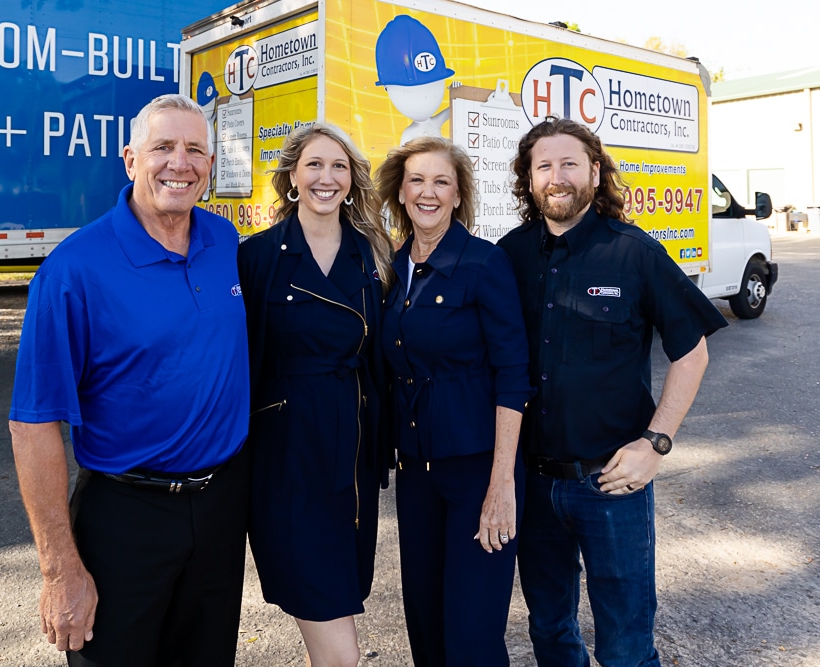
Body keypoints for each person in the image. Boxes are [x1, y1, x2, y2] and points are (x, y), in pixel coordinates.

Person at [8, 94, 250, 666]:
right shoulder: (73, 269)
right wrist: (60, 569)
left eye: (195, 150)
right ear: (129, 160)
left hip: (220, 513)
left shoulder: (225, 245)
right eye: (162, 147)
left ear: (210, 166)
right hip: (124, 518)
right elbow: (33, 422)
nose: (179, 163)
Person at [496, 117, 728, 667]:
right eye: (544, 166)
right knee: (549, 630)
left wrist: (656, 443)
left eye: (570, 163)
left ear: (595, 173)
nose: (558, 176)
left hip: (613, 483)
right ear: (528, 180)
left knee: (625, 644)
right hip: (533, 484)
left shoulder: (635, 253)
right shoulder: (508, 256)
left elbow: (692, 353)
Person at [237, 123, 395, 667]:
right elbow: (235, 356)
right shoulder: (257, 258)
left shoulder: (374, 257)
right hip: (285, 454)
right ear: (292, 178)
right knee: (328, 619)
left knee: (338, 594)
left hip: (352, 449)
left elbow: (389, 354)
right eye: (314, 165)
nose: (326, 178)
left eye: (338, 167)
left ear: (351, 182)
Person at [374, 136, 533, 666]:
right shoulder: (394, 267)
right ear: (400, 190)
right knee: (425, 620)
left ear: (459, 194)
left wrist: (501, 484)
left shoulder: (484, 264)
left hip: (477, 473)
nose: (428, 192)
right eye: (417, 179)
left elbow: (514, 374)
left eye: (442, 181)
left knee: (471, 635)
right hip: (417, 473)